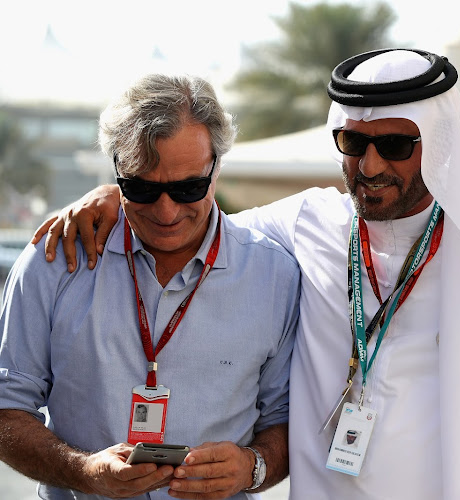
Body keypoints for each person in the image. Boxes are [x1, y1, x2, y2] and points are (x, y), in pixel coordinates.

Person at [35, 49, 460, 499]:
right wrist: (116, 195)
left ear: (436, 142)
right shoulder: (309, 221)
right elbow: (195, 218)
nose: (370, 164)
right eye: (353, 144)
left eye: (395, 144)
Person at [1, 74, 300, 499]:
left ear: (217, 167)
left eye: (188, 188)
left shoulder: (275, 275)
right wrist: (82, 471)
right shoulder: (53, 262)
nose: (165, 211)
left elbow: (288, 419)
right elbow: (6, 409)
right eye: (140, 188)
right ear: (116, 172)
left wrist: (253, 467)